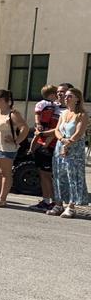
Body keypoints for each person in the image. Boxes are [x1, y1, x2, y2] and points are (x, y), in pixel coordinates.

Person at [48, 88, 88, 218]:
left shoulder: (82, 115)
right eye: (65, 96)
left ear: (77, 99)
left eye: (70, 96)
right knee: (59, 176)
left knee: (73, 177)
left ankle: (71, 206)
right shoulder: (63, 113)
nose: (66, 98)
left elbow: (79, 133)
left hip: (74, 149)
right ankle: (58, 203)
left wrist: (68, 143)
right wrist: (61, 140)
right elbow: (57, 130)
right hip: (61, 147)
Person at [0, 89, 30, 207]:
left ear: (1, 100)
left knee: (5, 173)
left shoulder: (13, 113)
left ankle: (2, 199)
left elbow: (24, 128)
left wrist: (16, 140)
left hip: (5, 147)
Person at [30, 84, 64, 211]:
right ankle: (46, 201)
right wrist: (38, 126)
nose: (59, 95)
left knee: (51, 175)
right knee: (43, 174)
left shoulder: (65, 111)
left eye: (62, 92)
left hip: (56, 145)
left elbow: (59, 129)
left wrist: (43, 133)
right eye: (57, 92)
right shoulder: (51, 106)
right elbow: (38, 117)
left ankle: (56, 202)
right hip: (44, 143)